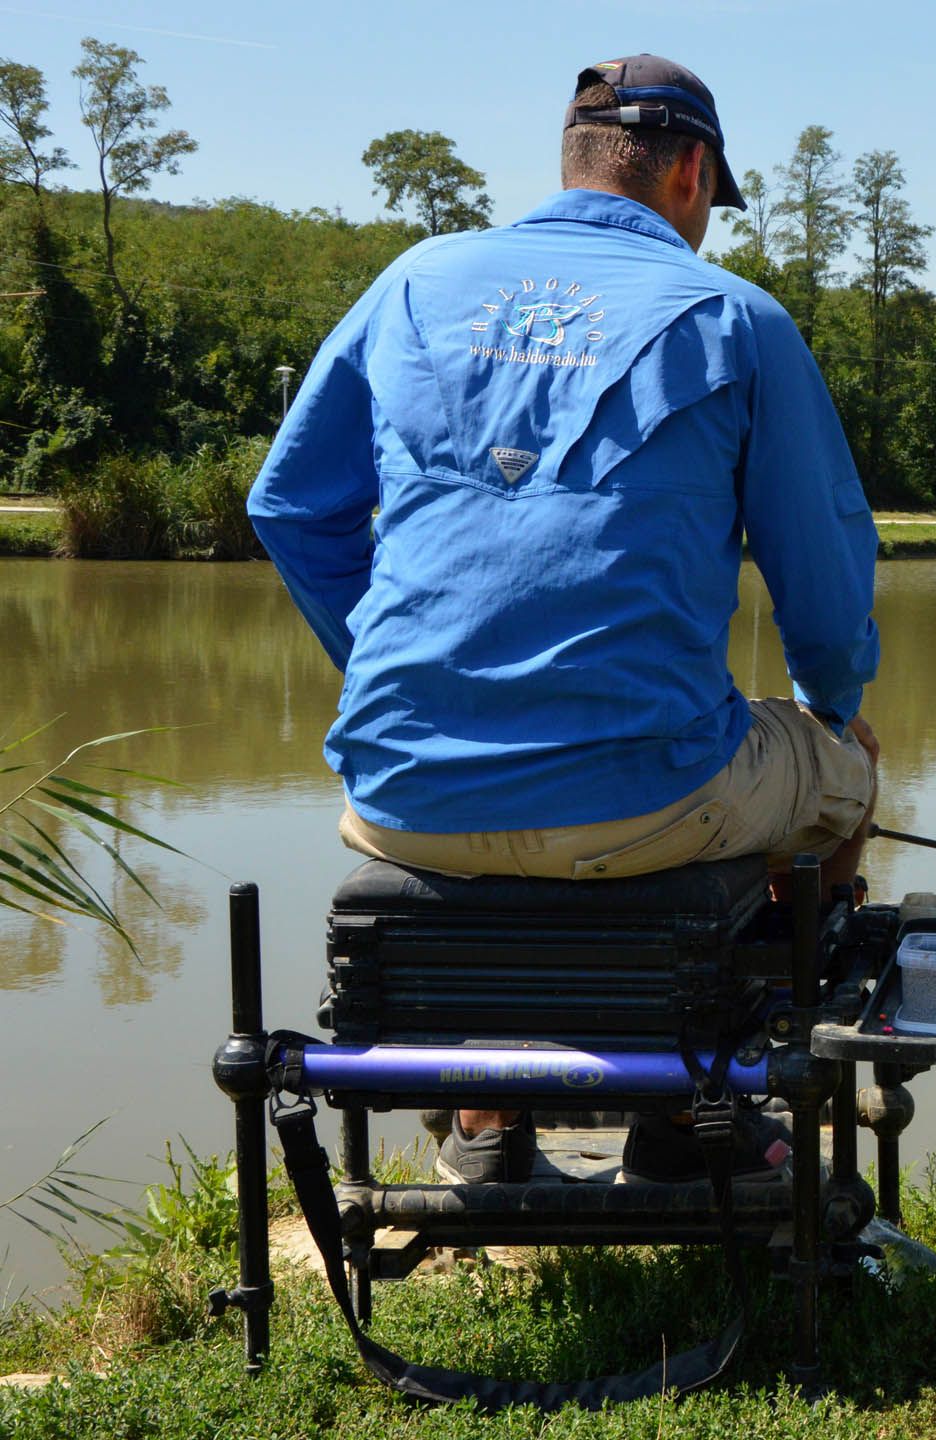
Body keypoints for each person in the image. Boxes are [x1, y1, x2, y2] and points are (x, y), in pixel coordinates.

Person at [249, 54, 881, 1185]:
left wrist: (388, 677)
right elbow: (822, 587)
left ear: (574, 160)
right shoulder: (736, 319)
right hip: (650, 805)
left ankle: (486, 1127)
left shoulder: (413, 283)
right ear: (691, 172)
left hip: (399, 798)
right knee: (844, 774)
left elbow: (290, 504)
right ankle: (700, 1120)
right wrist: (833, 716)